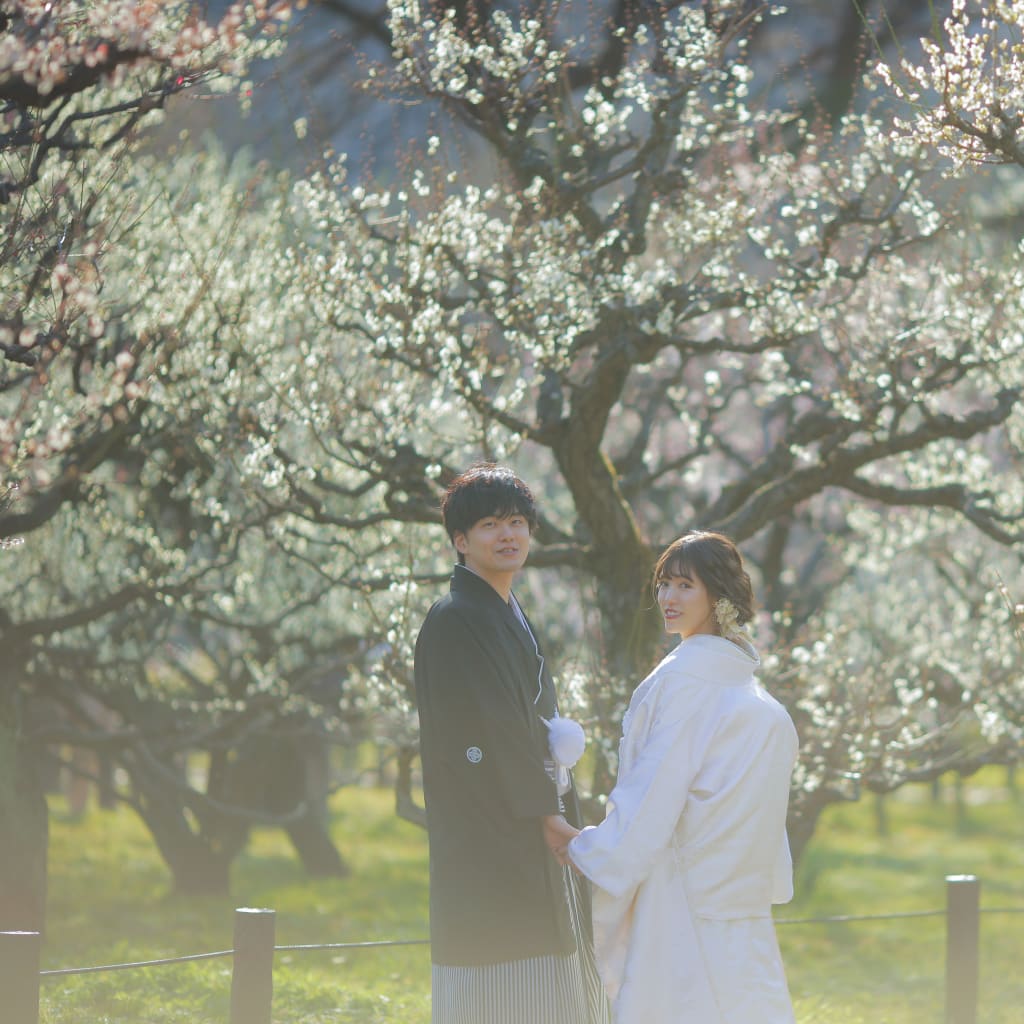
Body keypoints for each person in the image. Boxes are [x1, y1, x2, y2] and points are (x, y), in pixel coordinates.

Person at [565, 530, 799, 1024]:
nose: (668, 598)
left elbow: (654, 791)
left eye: (685, 586)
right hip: (737, 897)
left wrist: (586, 847)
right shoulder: (755, 696)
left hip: (681, 896)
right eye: (664, 584)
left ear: (718, 594)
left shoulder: (682, 680)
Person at [414, 463, 609, 1024]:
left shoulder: (505, 611)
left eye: (518, 522)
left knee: (545, 955)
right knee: (501, 957)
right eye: (491, 525)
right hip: (489, 816)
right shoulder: (456, 617)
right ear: (460, 541)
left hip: (526, 805)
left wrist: (546, 804)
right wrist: (544, 812)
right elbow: (489, 729)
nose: (508, 535)